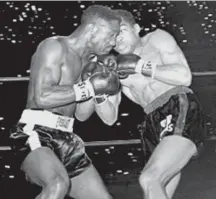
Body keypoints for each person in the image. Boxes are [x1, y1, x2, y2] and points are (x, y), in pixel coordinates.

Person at [9, 5, 121, 199]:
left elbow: (81, 115)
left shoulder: (91, 62)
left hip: (68, 137)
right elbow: (42, 98)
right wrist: (90, 87)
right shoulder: (54, 46)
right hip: (36, 130)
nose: (113, 42)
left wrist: (99, 91)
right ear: (92, 28)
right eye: (111, 34)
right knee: (57, 184)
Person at [96, 9, 205, 199]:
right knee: (153, 189)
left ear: (136, 28)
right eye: (112, 34)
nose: (117, 38)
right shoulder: (112, 66)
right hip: (151, 124)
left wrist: (140, 66)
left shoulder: (156, 39)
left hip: (178, 105)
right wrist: (97, 91)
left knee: (149, 178)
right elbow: (109, 118)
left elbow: (184, 76)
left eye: (122, 30)